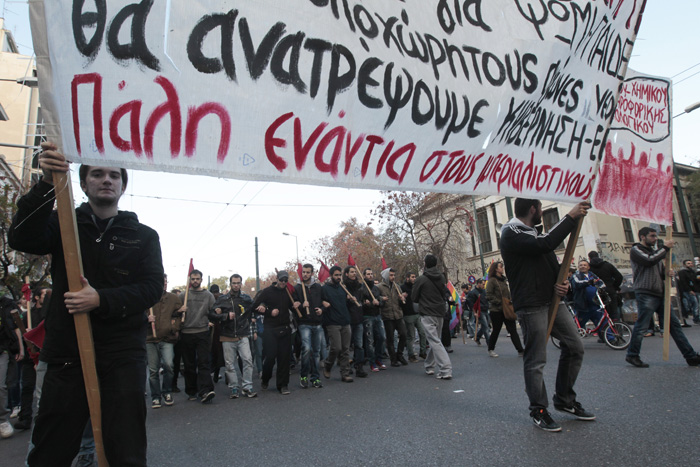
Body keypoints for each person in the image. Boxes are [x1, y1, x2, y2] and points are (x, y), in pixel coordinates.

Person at [9, 142, 163, 464]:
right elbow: (21, 237)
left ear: (122, 186)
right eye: (97, 173)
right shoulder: (63, 223)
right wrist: (47, 183)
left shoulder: (144, 236)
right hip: (67, 353)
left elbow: (150, 289)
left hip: (122, 356)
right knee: (51, 449)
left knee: (126, 449)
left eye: (114, 175)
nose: (106, 179)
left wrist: (101, 299)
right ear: (82, 183)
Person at [500, 198, 594, 432]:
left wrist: (564, 286)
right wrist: (570, 217)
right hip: (531, 305)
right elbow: (546, 244)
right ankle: (539, 410)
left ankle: (565, 399)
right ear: (534, 209)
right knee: (536, 359)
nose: (542, 212)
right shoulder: (510, 232)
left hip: (553, 301)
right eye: (541, 209)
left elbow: (551, 263)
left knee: (575, 347)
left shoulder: (534, 233)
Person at [625, 227, 700, 368]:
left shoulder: (656, 252)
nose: (655, 239)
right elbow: (649, 261)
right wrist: (665, 248)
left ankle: (690, 356)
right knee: (642, 326)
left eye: (655, 236)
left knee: (674, 326)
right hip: (646, 292)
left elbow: (657, 269)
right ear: (642, 237)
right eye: (652, 236)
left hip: (659, 293)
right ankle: (632, 355)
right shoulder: (636, 250)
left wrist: (667, 272)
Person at [209, 274, 257, 399]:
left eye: (238, 283)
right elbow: (212, 314)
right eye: (234, 283)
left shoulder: (246, 298)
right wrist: (224, 316)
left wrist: (260, 308)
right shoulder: (222, 299)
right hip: (227, 335)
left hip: (243, 334)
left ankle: (247, 386)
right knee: (229, 364)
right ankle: (234, 387)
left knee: (248, 360)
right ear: (230, 284)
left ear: (241, 284)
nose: (236, 285)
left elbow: (254, 307)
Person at [252, 270, 300, 395]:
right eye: (281, 280)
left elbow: (293, 305)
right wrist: (268, 311)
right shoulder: (267, 292)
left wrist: (296, 304)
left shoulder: (288, 292)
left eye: (285, 281)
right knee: (270, 358)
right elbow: (255, 306)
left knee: (284, 359)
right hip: (270, 330)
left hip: (285, 328)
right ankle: (265, 378)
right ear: (277, 279)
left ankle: (283, 385)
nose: (283, 283)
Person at [411, 254, 453, 379]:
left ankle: (446, 369)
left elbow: (414, 297)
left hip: (427, 312)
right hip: (440, 312)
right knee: (436, 340)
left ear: (425, 264)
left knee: (434, 341)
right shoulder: (441, 277)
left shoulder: (421, 279)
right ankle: (429, 365)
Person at [179, 269, 216, 403]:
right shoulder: (183, 295)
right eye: (193, 279)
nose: (195, 281)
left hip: (202, 332)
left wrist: (216, 313)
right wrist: (179, 310)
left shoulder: (208, 295)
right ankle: (191, 390)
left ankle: (206, 390)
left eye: (197, 279)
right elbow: (175, 314)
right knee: (189, 365)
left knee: (203, 362)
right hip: (186, 333)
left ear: (201, 280)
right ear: (189, 280)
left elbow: (213, 312)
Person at [146, 274, 183, 409]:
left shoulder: (173, 299)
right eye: (161, 281)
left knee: (169, 365)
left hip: (167, 338)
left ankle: (167, 392)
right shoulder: (147, 297)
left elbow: (180, 315)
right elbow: (137, 315)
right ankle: (155, 396)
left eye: (165, 282)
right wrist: (146, 319)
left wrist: (174, 327)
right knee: (153, 370)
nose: (164, 284)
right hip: (150, 339)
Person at [485, 261, 524, 357]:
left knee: (512, 330)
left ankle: (520, 350)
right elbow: (488, 295)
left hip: (506, 309)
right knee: (496, 330)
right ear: (496, 269)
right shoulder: (492, 281)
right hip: (496, 310)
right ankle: (491, 349)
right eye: (500, 267)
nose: (502, 268)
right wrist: (499, 302)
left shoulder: (503, 280)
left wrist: (510, 301)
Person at [322, 266, 353, 382]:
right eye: (336, 275)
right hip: (332, 322)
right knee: (336, 348)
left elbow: (347, 305)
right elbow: (319, 301)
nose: (338, 277)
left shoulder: (343, 288)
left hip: (345, 321)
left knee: (345, 349)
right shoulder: (325, 289)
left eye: (340, 275)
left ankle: (345, 373)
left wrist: (350, 299)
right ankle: (328, 365)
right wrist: (322, 302)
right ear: (331, 276)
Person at [295, 264, 324, 389]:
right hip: (304, 323)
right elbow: (294, 304)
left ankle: (315, 377)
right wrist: (302, 305)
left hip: (317, 323)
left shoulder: (318, 287)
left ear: (312, 273)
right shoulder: (297, 288)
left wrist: (321, 310)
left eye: (308, 272)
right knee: (306, 349)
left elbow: (324, 301)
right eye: (304, 272)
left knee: (316, 352)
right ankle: (304, 376)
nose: (305, 274)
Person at [0, 295, 23, 439]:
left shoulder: (7, 304)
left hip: (2, 350)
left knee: (1, 386)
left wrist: (21, 349)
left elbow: (16, 327)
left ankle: (2, 420)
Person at [377, 268, 408, 367]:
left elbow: (401, 301)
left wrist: (402, 298)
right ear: (386, 276)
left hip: (398, 314)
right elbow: (376, 298)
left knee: (403, 334)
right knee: (390, 338)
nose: (393, 277)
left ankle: (400, 354)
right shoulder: (379, 287)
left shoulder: (396, 286)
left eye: (394, 275)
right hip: (387, 315)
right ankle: (393, 359)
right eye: (391, 275)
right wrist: (381, 299)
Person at [344, 266, 368, 378]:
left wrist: (365, 300)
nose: (354, 274)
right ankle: (346, 367)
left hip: (358, 318)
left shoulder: (359, 287)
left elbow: (363, 298)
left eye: (355, 272)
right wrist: (347, 299)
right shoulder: (343, 287)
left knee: (359, 345)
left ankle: (359, 366)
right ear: (346, 274)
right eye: (352, 272)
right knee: (347, 346)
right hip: (348, 319)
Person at [571, 260, 606, 337]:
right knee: (578, 325)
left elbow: (601, 283)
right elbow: (577, 284)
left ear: (588, 267)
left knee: (602, 322)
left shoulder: (593, 275)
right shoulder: (576, 276)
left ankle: (609, 338)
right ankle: (571, 340)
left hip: (595, 303)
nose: (583, 266)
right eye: (581, 265)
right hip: (583, 305)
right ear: (578, 267)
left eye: (585, 265)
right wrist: (589, 282)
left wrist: (601, 288)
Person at [360, 268, 386, 372]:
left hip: (377, 315)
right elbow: (360, 304)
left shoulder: (376, 289)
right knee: (370, 341)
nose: (370, 276)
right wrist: (368, 304)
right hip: (367, 317)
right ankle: (372, 362)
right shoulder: (361, 289)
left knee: (382, 337)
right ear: (364, 276)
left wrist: (379, 303)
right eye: (368, 274)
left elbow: (381, 301)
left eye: (371, 274)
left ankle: (378, 358)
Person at [588, 250, 623, 322]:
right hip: (610, 290)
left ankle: (605, 330)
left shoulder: (589, 268)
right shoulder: (607, 265)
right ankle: (617, 329)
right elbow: (619, 277)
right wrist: (614, 286)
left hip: (596, 293)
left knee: (600, 313)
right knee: (614, 312)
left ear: (589, 258)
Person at [401, 272, 427, 361]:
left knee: (422, 333)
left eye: (415, 277)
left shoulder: (416, 287)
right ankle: (411, 355)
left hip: (417, 313)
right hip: (408, 315)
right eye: (412, 277)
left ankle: (423, 352)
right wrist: (401, 297)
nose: (414, 278)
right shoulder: (402, 288)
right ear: (407, 278)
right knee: (411, 336)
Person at [465, 279, 490, 346]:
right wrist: (474, 312)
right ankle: (489, 343)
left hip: (485, 309)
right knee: (486, 327)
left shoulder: (484, 291)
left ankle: (477, 337)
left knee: (485, 326)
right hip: (479, 311)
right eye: (483, 284)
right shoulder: (473, 292)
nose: (484, 285)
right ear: (478, 284)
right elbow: (471, 303)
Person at [676, 259, 699, 325]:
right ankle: (696, 318)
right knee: (695, 304)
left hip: (695, 290)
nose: (690, 264)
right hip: (688, 291)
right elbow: (683, 282)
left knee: (696, 304)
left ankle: (696, 317)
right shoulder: (682, 272)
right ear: (684, 264)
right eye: (688, 263)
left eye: (691, 263)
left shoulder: (692, 271)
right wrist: (689, 290)